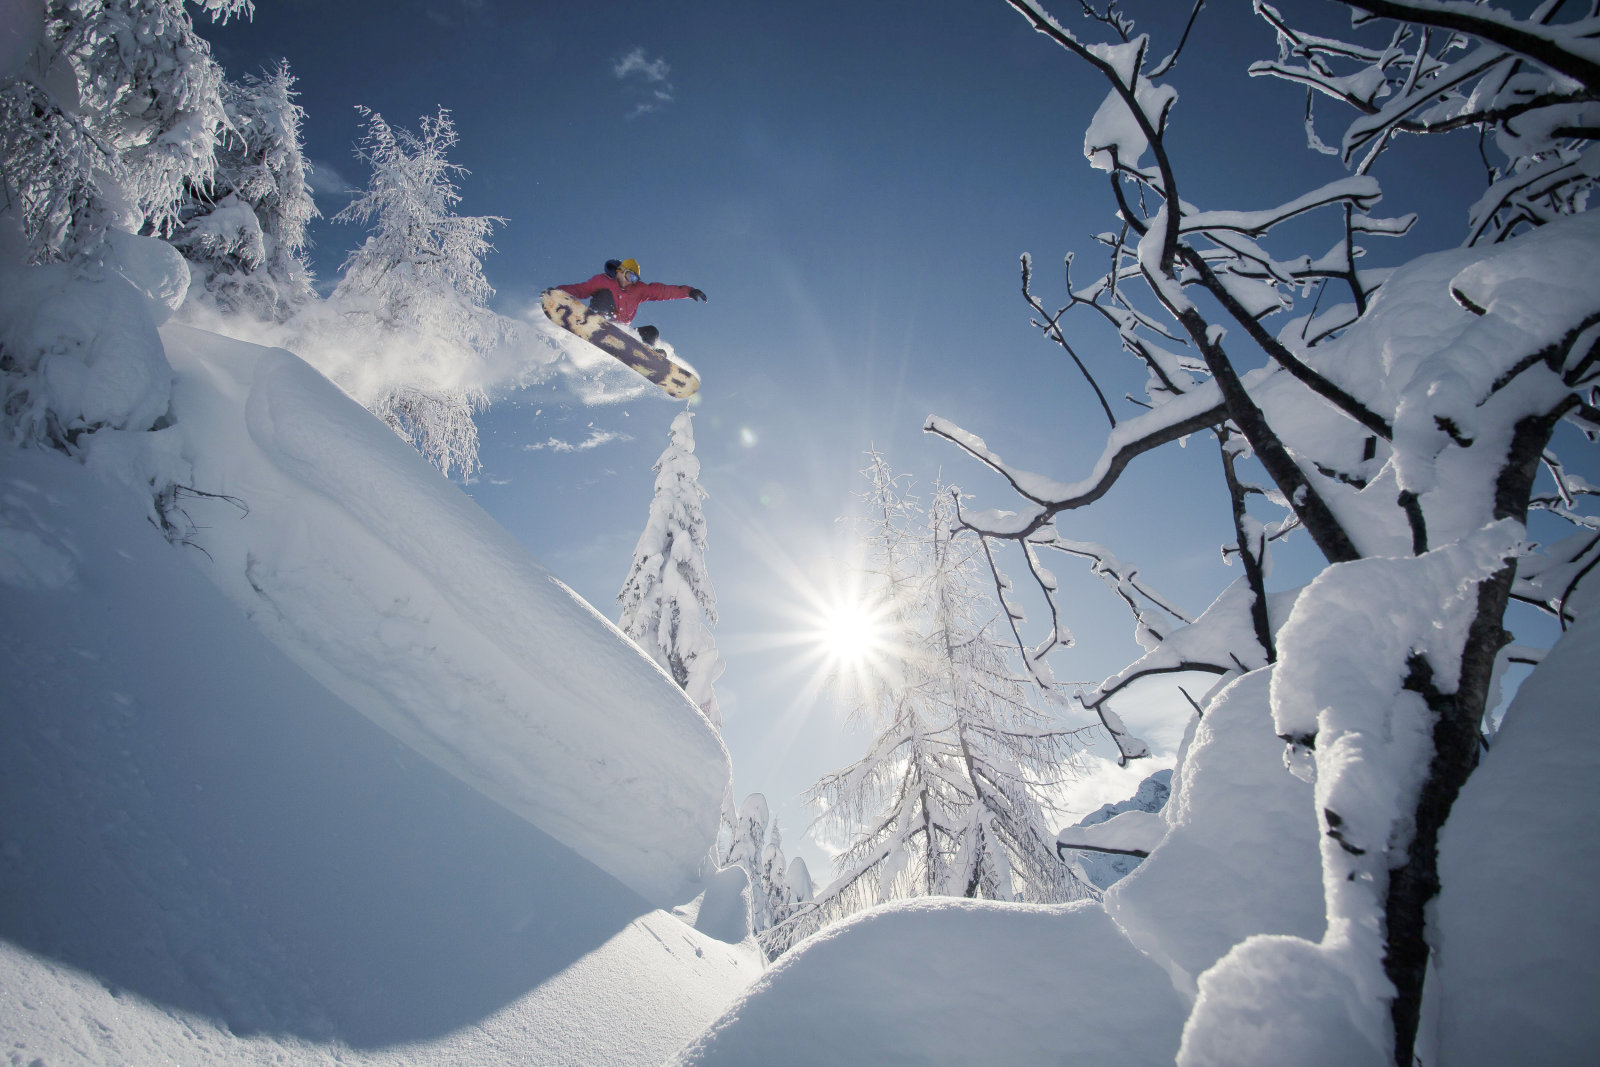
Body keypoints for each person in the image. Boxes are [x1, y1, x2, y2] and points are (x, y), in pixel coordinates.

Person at [555, 258, 706, 347]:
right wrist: (558, 293)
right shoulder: (603, 281)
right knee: (605, 294)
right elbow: (581, 289)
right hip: (600, 318)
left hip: (620, 331)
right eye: (629, 276)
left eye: (634, 279)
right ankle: (599, 323)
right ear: (620, 271)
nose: (631, 281)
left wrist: (688, 291)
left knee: (652, 332)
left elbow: (662, 291)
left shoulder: (639, 289)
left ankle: (646, 354)